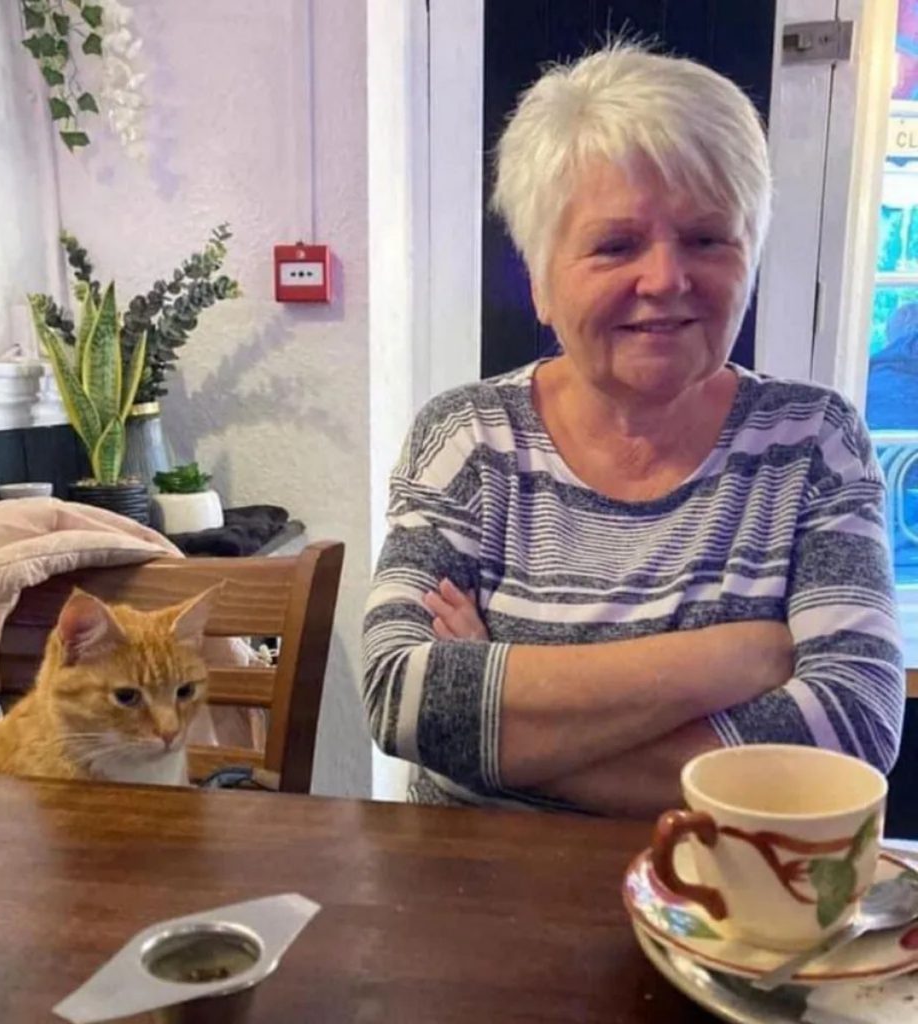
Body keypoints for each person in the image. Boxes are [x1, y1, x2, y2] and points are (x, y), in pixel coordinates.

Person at [361, 43, 906, 815]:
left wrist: (493, 713)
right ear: (541, 278)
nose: (665, 279)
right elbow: (402, 694)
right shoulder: (467, 439)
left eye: (707, 238)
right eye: (616, 245)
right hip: (474, 903)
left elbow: (853, 726)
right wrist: (737, 656)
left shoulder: (814, 442)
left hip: (733, 907)